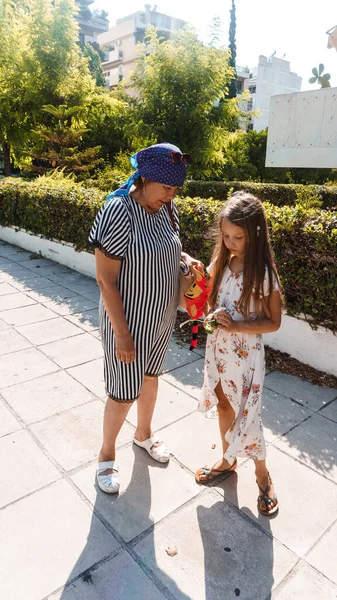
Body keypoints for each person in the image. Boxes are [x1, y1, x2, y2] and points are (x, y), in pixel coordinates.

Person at [89, 142, 202, 494]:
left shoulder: (169, 210)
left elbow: (166, 247)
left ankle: (144, 435)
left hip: (161, 317)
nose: (170, 196)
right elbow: (105, 279)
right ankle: (106, 455)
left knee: (151, 378)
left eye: (175, 190)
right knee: (123, 393)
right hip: (127, 322)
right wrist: (122, 336)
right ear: (144, 177)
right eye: (165, 188)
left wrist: (186, 263)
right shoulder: (118, 210)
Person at [196, 192, 282, 516]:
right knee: (222, 404)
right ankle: (228, 461)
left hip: (246, 355)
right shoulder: (220, 262)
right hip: (217, 350)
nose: (231, 242)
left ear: (255, 233)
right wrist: (208, 314)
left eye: (238, 237)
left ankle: (262, 475)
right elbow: (210, 302)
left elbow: (273, 321)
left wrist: (236, 326)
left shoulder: (263, 274)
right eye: (226, 235)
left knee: (249, 415)